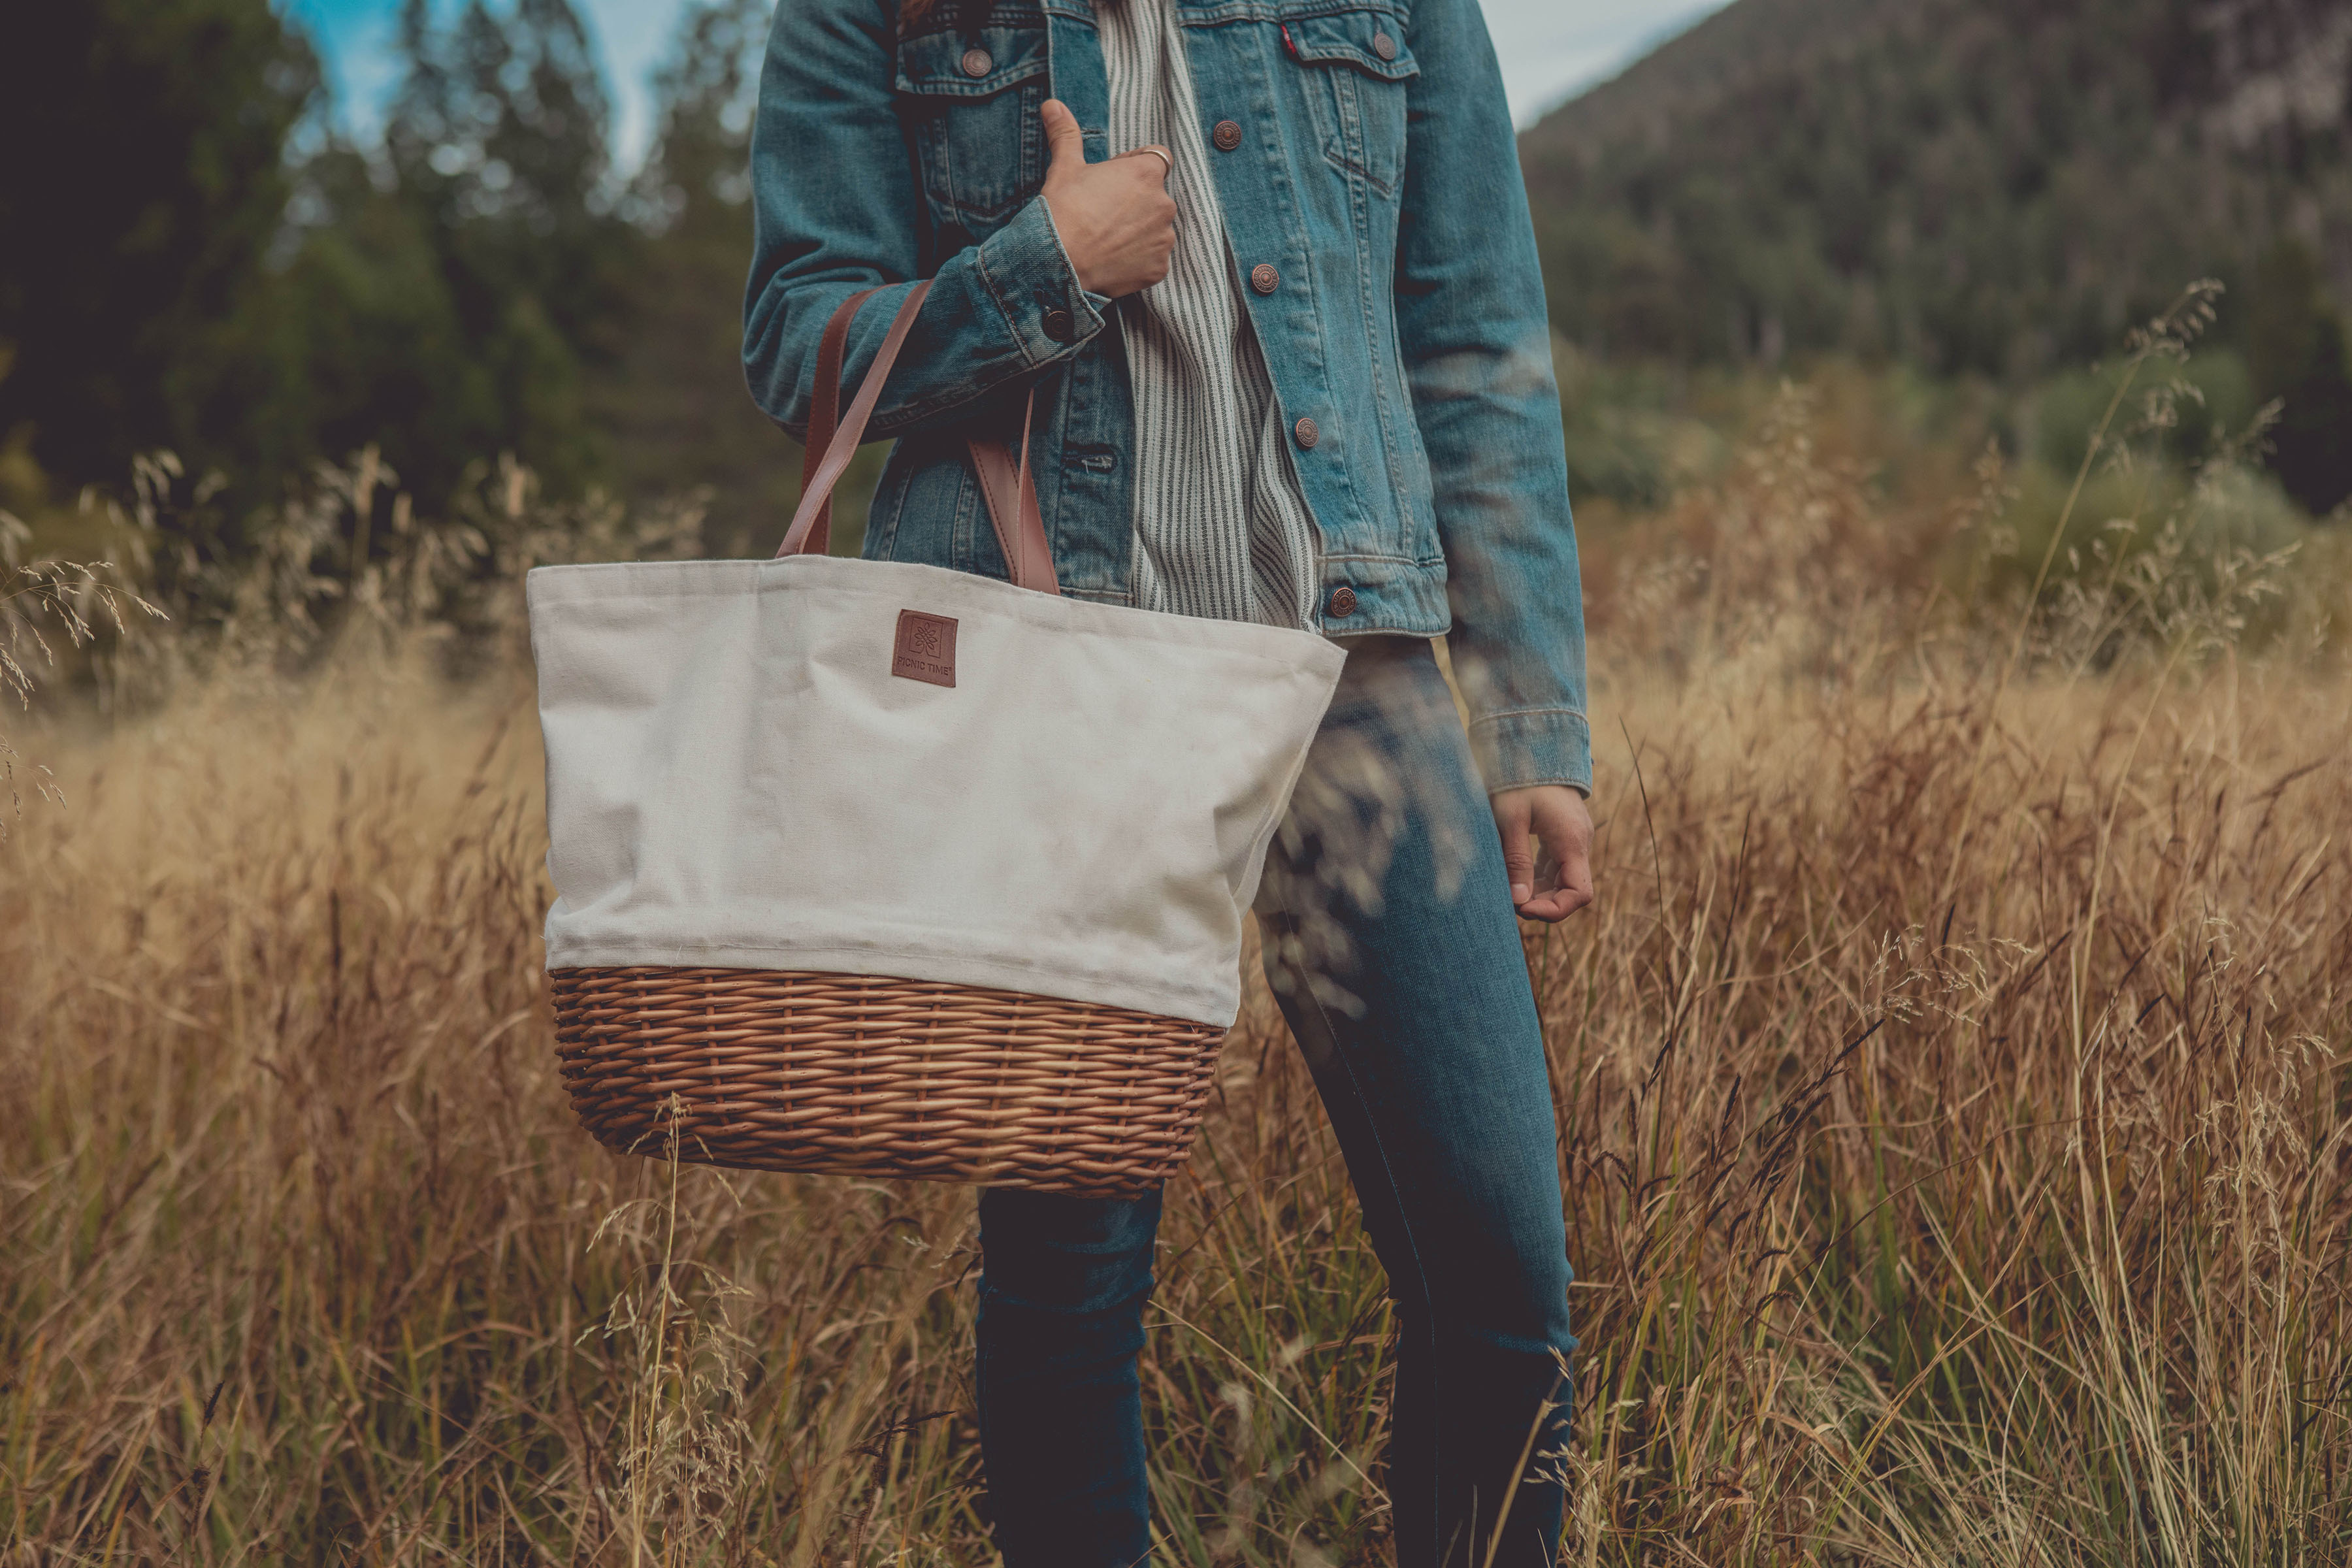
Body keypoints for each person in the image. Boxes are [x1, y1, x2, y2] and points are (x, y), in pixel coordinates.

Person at [744, 0, 1594, 1561]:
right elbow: (798, 337)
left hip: (1359, 678)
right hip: (1059, 681)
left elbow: (1473, 338)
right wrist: (1038, 270)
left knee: (1500, 1274)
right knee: (1072, 1289)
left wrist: (1533, 715)